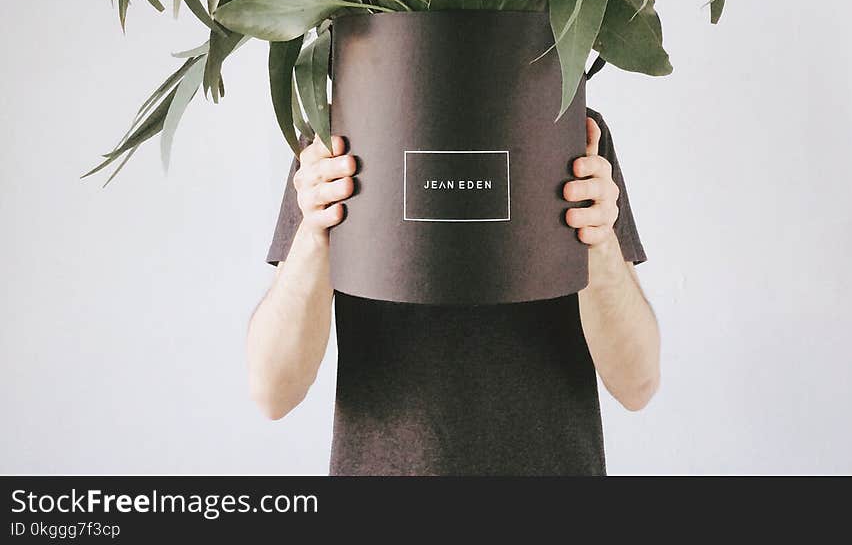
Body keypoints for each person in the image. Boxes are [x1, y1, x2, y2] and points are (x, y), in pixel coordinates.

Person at [247, 109, 660, 476]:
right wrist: (314, 232)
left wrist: (600, 240)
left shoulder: (568, 126)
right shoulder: (334, 136)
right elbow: (273, 392)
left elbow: (637, 384)